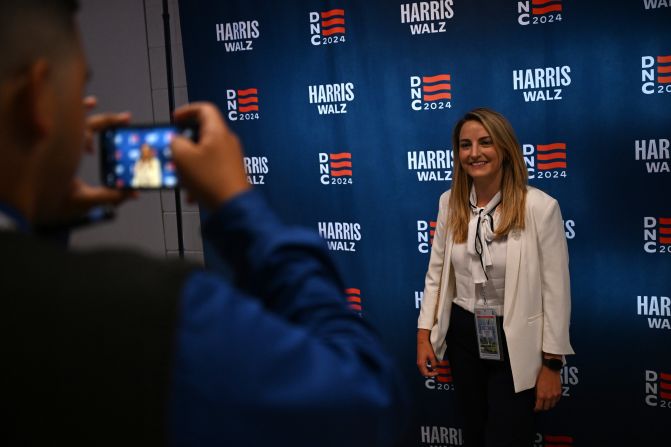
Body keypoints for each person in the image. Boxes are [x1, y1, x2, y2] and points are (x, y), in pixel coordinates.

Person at [0, 1, 407, 445]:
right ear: (38, 98)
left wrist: (37, 225)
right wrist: (240, 210)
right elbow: (366, 405)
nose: (86, 114)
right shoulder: (152, 311)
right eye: (81, 91)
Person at [416, 108, 574, 446]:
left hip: (516, 341)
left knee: (509, 436)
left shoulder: (540, 208)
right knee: (474, 432)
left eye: (485, 142)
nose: (474, 153)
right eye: (465, 145)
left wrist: (552, 365)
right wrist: (423, 335)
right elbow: (436, 271)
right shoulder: (449, 202)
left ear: (505, 148)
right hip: (463, 335)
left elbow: (556, 292)